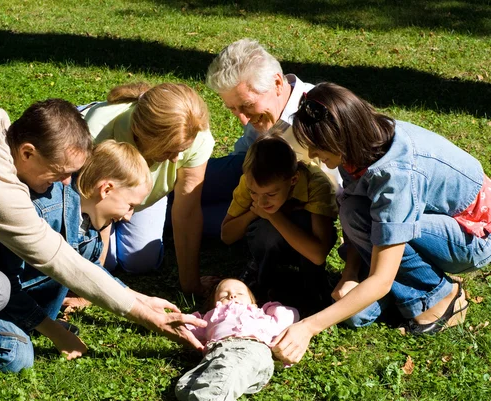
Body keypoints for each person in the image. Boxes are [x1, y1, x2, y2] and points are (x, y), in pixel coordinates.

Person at [0, 100, 205, 381]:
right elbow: (56, 257)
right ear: (28, 152)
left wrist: (141, 298)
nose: (64, 185)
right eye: (57, 175)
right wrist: (143, 315)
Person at [271, 82, 491, 365]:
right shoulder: (359, 147)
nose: (313, 157)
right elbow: (354, 209)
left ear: (339, 139)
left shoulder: (395, 174)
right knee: (357, 309)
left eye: (316, 148)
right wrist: (349, 274)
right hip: (430, 220)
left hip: (473, 236)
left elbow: (381, 279)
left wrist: (308, 327)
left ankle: (440, 295)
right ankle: (404, 292)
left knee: (365, 222)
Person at [0, 140, 153, 373]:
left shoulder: (89, 223)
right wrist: (57, 334)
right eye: (130, 205)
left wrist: (142, 302)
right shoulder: (39, 212)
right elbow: (3, 286)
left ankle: (34, 323)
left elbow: (90, 271)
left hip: (20, 304)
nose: (129, 216)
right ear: (105, 190)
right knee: (13, 355)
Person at [81, 82, 215, 294]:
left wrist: (191, 284)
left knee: (141, 261)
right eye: (169, 151)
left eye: (182, 150)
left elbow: (187, 211)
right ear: (143, 137)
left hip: (146, 195)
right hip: (96, 198)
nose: (176, 159)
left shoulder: (195, 134)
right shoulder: (97, 132)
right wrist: (95, 286)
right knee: (106, 262)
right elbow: (97, 201)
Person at [201, 38, 341, 236]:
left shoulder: (319, 116)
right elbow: (242, 155)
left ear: (276, 83)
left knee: (189, 217)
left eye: (247, 105)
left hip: (287, 201)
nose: (243, 119)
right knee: (184, 181)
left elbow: (335, 191)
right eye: (233, 108)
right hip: (248, 176)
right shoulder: (264, 110)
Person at [220, 133, 338, 313]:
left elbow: (318, 254)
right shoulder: (251, 182)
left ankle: (313, 286)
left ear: (293, 180)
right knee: (267, 231)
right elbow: (226, 236)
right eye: (254, 194)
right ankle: (262, 279)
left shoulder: (316, 184)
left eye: (271, 194)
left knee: (299, 221)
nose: (261, 201)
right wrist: (253, 214)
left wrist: (273, 216)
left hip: (307, 247)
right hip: (269, 241)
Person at [175, 278, 299, 401]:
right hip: (216, 353)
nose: (232, 295)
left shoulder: (260, 314)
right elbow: (185, 326)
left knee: (222, 376)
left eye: (240, 293)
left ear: (253, 303)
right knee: (184, 387)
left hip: (252, 349)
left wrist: (272, 308)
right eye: (224, 294)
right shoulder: (210, 317)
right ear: (213, 304)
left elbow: (291, 315)